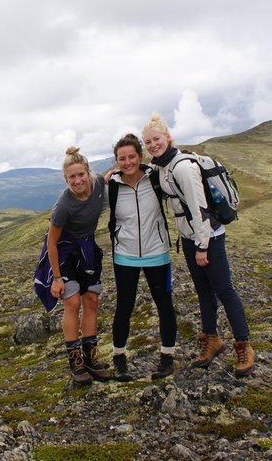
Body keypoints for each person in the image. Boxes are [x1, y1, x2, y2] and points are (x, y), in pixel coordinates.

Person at [142, 113, 255, 378]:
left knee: (224, 290)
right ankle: (212, 340)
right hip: (191, 239)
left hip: (208, 237)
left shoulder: (183, 167)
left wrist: (203, 246)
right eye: (147, 142)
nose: (152, 145)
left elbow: (200, 209)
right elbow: (151, 174)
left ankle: (244, 345)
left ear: (168, 138)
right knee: (203, 291)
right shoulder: (162, 167)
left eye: (156, 139)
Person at [108, 134, 178, 381]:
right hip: (124, 256)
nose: (127, 162)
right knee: (124, 307)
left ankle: (167, 358)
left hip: (157, 253)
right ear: (116, 161)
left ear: (140, 156)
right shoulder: (112, 186)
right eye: (122, 158)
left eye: (131, 157)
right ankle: (119, 360)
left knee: (164, 305)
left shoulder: (156, 178)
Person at [45, 146, 111, 385]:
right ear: (66, 179)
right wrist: (56, 277)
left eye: (81, 174)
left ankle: (91, 358)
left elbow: (107, 178)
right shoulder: (63, 206)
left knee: (91, 300)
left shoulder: (98, 185)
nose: (77, 180)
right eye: (72, 177)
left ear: (88, 172)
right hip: (65, 252)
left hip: (87, 248)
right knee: (72, 302)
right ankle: (76, 363)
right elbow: (51, 242)